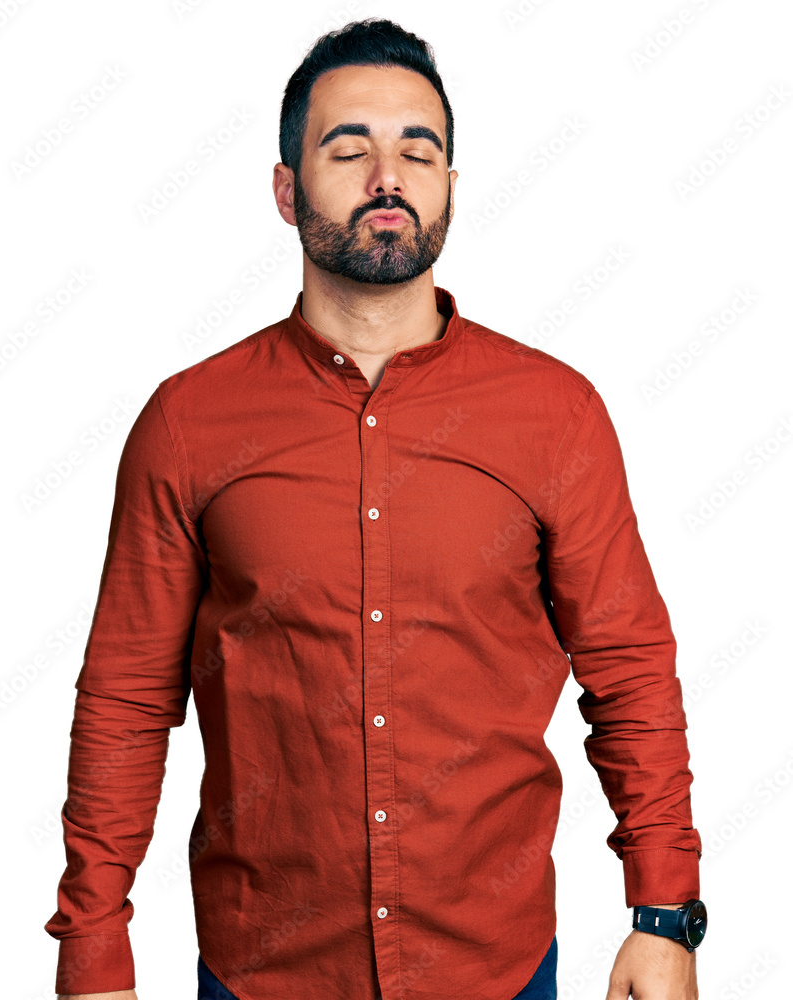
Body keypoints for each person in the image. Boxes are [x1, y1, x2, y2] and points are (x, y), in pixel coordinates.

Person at [45, 17, 704, 1000]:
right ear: (285, 189)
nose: (385, 175)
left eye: (418, 151)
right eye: (347, 148)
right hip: (263, 971)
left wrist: (664, 915)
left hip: (497, 970)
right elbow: (126, 701)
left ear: (448, 186)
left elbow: (631, 670)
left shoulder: (556, 416)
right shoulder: (189, 424)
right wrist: (91, 947)